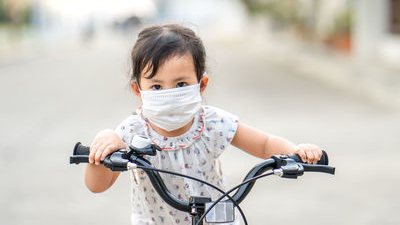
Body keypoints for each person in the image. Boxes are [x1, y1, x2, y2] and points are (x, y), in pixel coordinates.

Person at [84, 24, 322, 224]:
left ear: (202, 84)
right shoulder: (132, 132)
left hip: (214, 218)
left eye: (180, 84)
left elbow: (264, 143)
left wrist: (295, 152)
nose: (169, 94)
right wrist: (105, 145)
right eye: (156, 86)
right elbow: (97, 185)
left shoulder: (212, 123)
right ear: (138, 90)